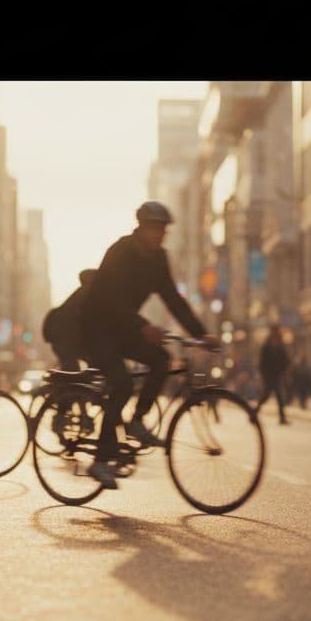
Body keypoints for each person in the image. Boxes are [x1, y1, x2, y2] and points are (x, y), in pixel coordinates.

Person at [80, 201, 220, 488]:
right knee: (122, 385)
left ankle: (137, 421)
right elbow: (109, 300)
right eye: (155, 229)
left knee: (161, 360)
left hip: (124, 329)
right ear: (141, 227)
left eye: (163, 230)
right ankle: (101, 461)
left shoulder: (159, 259)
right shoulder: (120, 252)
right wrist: (143, 326)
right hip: (97, 328)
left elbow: (173, 299)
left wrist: (202, 333)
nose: (159, 235)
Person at [42, 268, 98, 371]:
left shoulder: (82, 293)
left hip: (63, 340)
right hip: (67, 340)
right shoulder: (89, 294)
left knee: (79, 368)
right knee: (97, 365)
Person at [257, 325, 291, 424]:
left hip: (277, 375)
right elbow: (262, 361)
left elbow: (284, 358)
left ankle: (282, 418)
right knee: (266, 396)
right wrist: (263, 374)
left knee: (279, 396)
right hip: (269, 375)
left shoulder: (280, 345)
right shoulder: (267, 346)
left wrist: (285, 368)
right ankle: (254, 411)